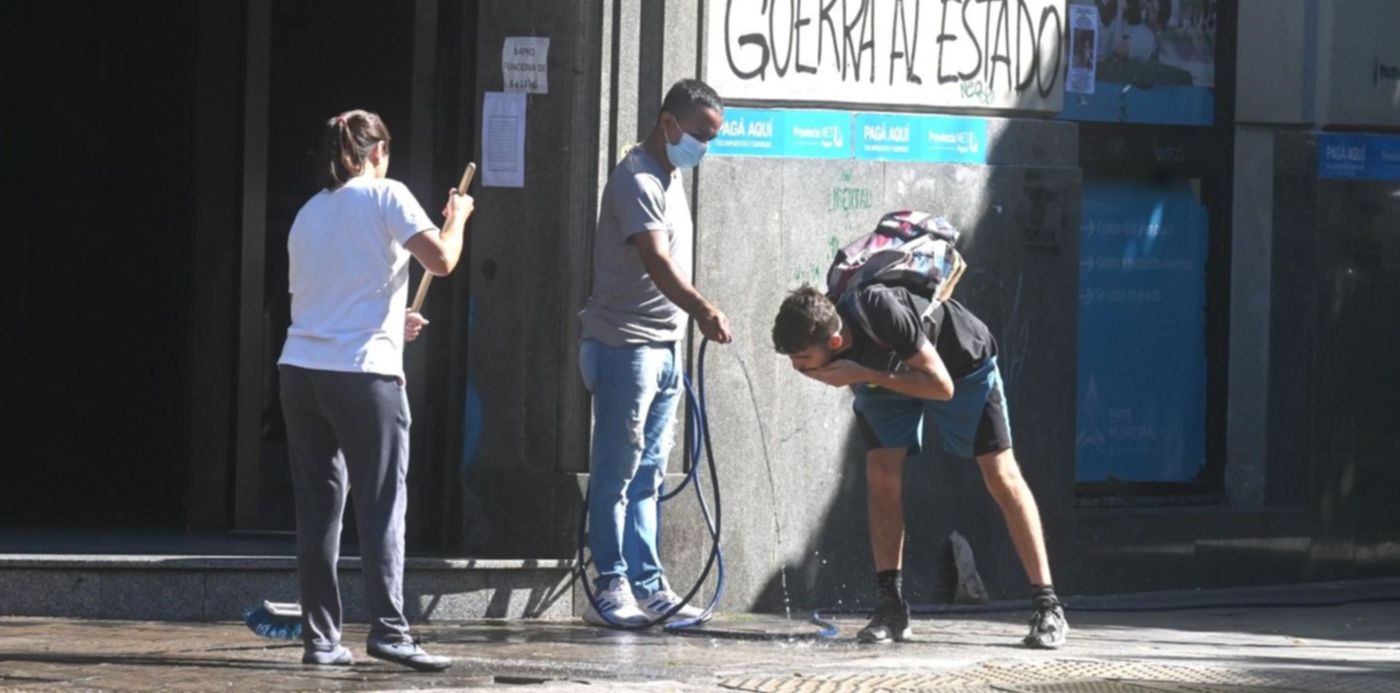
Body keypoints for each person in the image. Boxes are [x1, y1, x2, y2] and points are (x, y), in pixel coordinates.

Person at [277, 109, 472, 670]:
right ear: (377, 152)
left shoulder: (308, 213)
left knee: (319, 511)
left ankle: (321, 640)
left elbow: (324, 298)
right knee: (383, 505)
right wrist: (456, 218)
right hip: (364, 376)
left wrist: (391, 326)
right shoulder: (388, 194)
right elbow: (442, 258)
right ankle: (389, 629)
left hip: (302, 370)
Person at [770, 285, 1068, 649]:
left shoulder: (879, 310)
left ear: (834, 342)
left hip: (957, 367)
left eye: (801, 357)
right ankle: (891, 608)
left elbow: (941, 387)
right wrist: (862, 376)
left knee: (1000, 473)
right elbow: (861, 382)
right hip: (881, 375)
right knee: (881, 473)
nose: (796, 367)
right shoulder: (826, 321)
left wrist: (863, 372)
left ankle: (1047, 604)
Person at [576, 79, 732, 627]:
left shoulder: (668, 175)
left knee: (649, 476)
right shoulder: (636, 178)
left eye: (712, 138)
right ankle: (609, 585)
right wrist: (703, 310)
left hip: (663, 349)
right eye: (700, 135)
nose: (704, 149)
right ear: (668, 124)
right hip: (625, 346)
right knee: (616, 473)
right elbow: (659, 263)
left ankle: (649, 584)